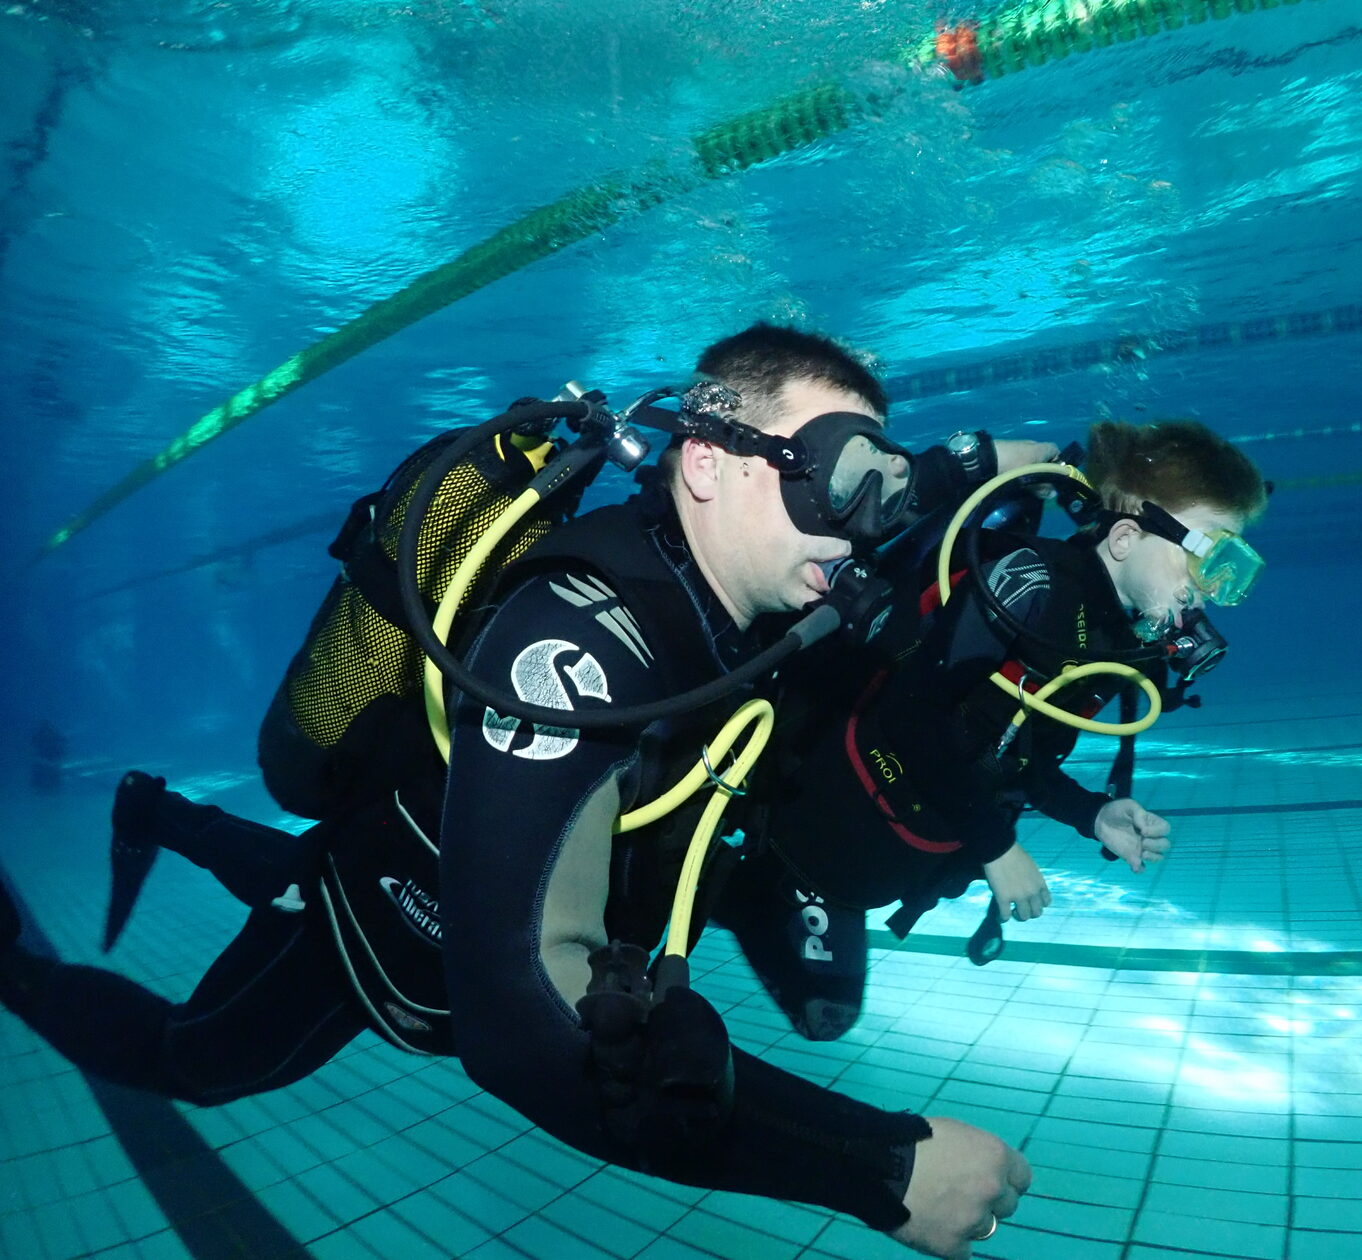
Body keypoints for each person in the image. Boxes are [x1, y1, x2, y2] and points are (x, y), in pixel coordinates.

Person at [0, 325, 1032, 1258]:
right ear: (708, 464)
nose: (864, 528)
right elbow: (517, 1017)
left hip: (447, 846)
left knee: (291, 870)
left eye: (882, 489)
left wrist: (1054, 473)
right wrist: (877, 1166)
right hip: (390, 921)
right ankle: (13, 968)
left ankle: (158, 811)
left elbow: (922, 491)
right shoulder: (575, 647)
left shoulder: (747, 590)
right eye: (844, 481)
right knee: (203, 1059)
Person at [715, 418, 1268, 1042]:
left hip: (909, 846)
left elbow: (1011, 753)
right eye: (1210, 558)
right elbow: (908, 716)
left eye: (1232, 571)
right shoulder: (1030, 584)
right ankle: (720, 876)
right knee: (822, 1011)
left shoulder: (1127, 647)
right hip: (831, 817)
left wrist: (1092, 815)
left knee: (827, 1014)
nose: (1213, 592)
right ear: (1122, 539)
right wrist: (996, 848)